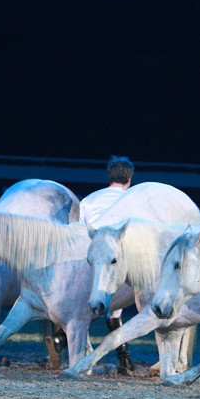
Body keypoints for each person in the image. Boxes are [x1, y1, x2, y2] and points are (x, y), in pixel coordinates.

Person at [78, 155, 137, 374]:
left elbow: (79, 231)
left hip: (91, 260)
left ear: (109, 176)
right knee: (115, 312)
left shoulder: (89, 200)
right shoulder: (135, 199)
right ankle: (124, 358)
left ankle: (62, 345)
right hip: (116, 261)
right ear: (129, 178)